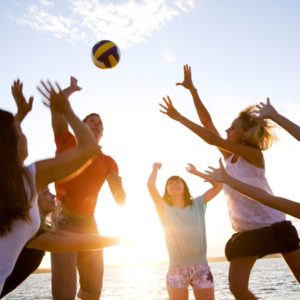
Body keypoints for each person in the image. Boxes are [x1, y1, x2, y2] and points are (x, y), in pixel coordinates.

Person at [159, 65, 300, 299]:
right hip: (246, 231)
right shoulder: (229, 159)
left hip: (274, 226)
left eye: (233, 128)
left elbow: (211, 136)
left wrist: (179, 117)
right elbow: (209, 124)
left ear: (244, 135)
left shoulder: (255, 157)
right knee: (237, 288)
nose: (227, 129)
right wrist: (193, 91)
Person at [0, 78, 99, 295]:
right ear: (11, 143)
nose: (25, 135)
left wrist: (19, 116)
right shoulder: (27, 180)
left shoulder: (14, 185)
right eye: (20, 132)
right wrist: (67, 110)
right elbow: (89, 148)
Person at [50, 77, 126, 300]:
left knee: (93, 292)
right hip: (63, 221)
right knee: (64, 294)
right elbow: (57, 110)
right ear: (81, 127)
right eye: (91, 121)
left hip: (90, 224)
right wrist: (70, 91)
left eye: (100, 123)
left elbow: (120, 201)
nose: (96, 124)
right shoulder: (67, 142)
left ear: (102, 132)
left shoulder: (109, 161)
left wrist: (119, 188)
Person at [147, 162, 222, 300]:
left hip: (201, 268)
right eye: (170, 183)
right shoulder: (163, 208)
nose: (174, 184)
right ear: (167, 190)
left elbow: (219, 185)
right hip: (176, 270)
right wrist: (155, 168)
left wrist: (196, 172)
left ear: (184, 187)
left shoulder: (198, 204)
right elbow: (151, 186)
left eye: (178, 182)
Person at [203, 158, 300, 219]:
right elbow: (268, 199)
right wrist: (227, 179)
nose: (227, 130)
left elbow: (268, 199)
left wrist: (228, 179)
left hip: (276, 227)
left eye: (233, 128)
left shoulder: (254, 154)